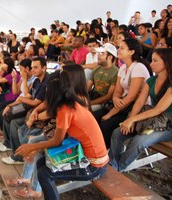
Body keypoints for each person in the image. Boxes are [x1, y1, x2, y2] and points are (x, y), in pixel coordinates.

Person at [15, 64, 109, 200]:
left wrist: (32, 147)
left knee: (44, 173)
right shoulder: (71, 102)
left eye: (48, 90)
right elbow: (60, 140)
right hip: (88, 157)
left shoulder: (65, 110)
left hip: (94, 166)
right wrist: (36, 149)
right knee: (41, 163)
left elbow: (57, 141)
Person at [109, 48, 172, 172]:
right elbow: (139, 102)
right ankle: (113, 164)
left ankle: (118, 168)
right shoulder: (152, 80)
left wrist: (133, 119)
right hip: (153, 122)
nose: (151, 64)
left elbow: (158, 110)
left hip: (167, 126)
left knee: (140, 140)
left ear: (167, 63)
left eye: (155, 61)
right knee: (118, 132)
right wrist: (130, 119)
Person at [94, 39, 151, 148]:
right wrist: (115, 98)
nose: (118, 50)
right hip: (122, 105)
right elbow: (118, 91)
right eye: (118, 47)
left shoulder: (138, 67)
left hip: (135, 109)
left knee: (106, 124)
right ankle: (93, 149)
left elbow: (131, 97)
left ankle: (104, 153)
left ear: (131, 52)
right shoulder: (123, 67)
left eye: (122, 48)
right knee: (94, 117)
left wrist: (110, 114)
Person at [87, 43, 118, 111]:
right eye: (98, 53)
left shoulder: (116, 72)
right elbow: (87, 88)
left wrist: (89, 103)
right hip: (93, 96)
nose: (98, 55)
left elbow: (108, 97)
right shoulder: (97, 68)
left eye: (102, 53)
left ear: (110, 57)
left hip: (104, 103)